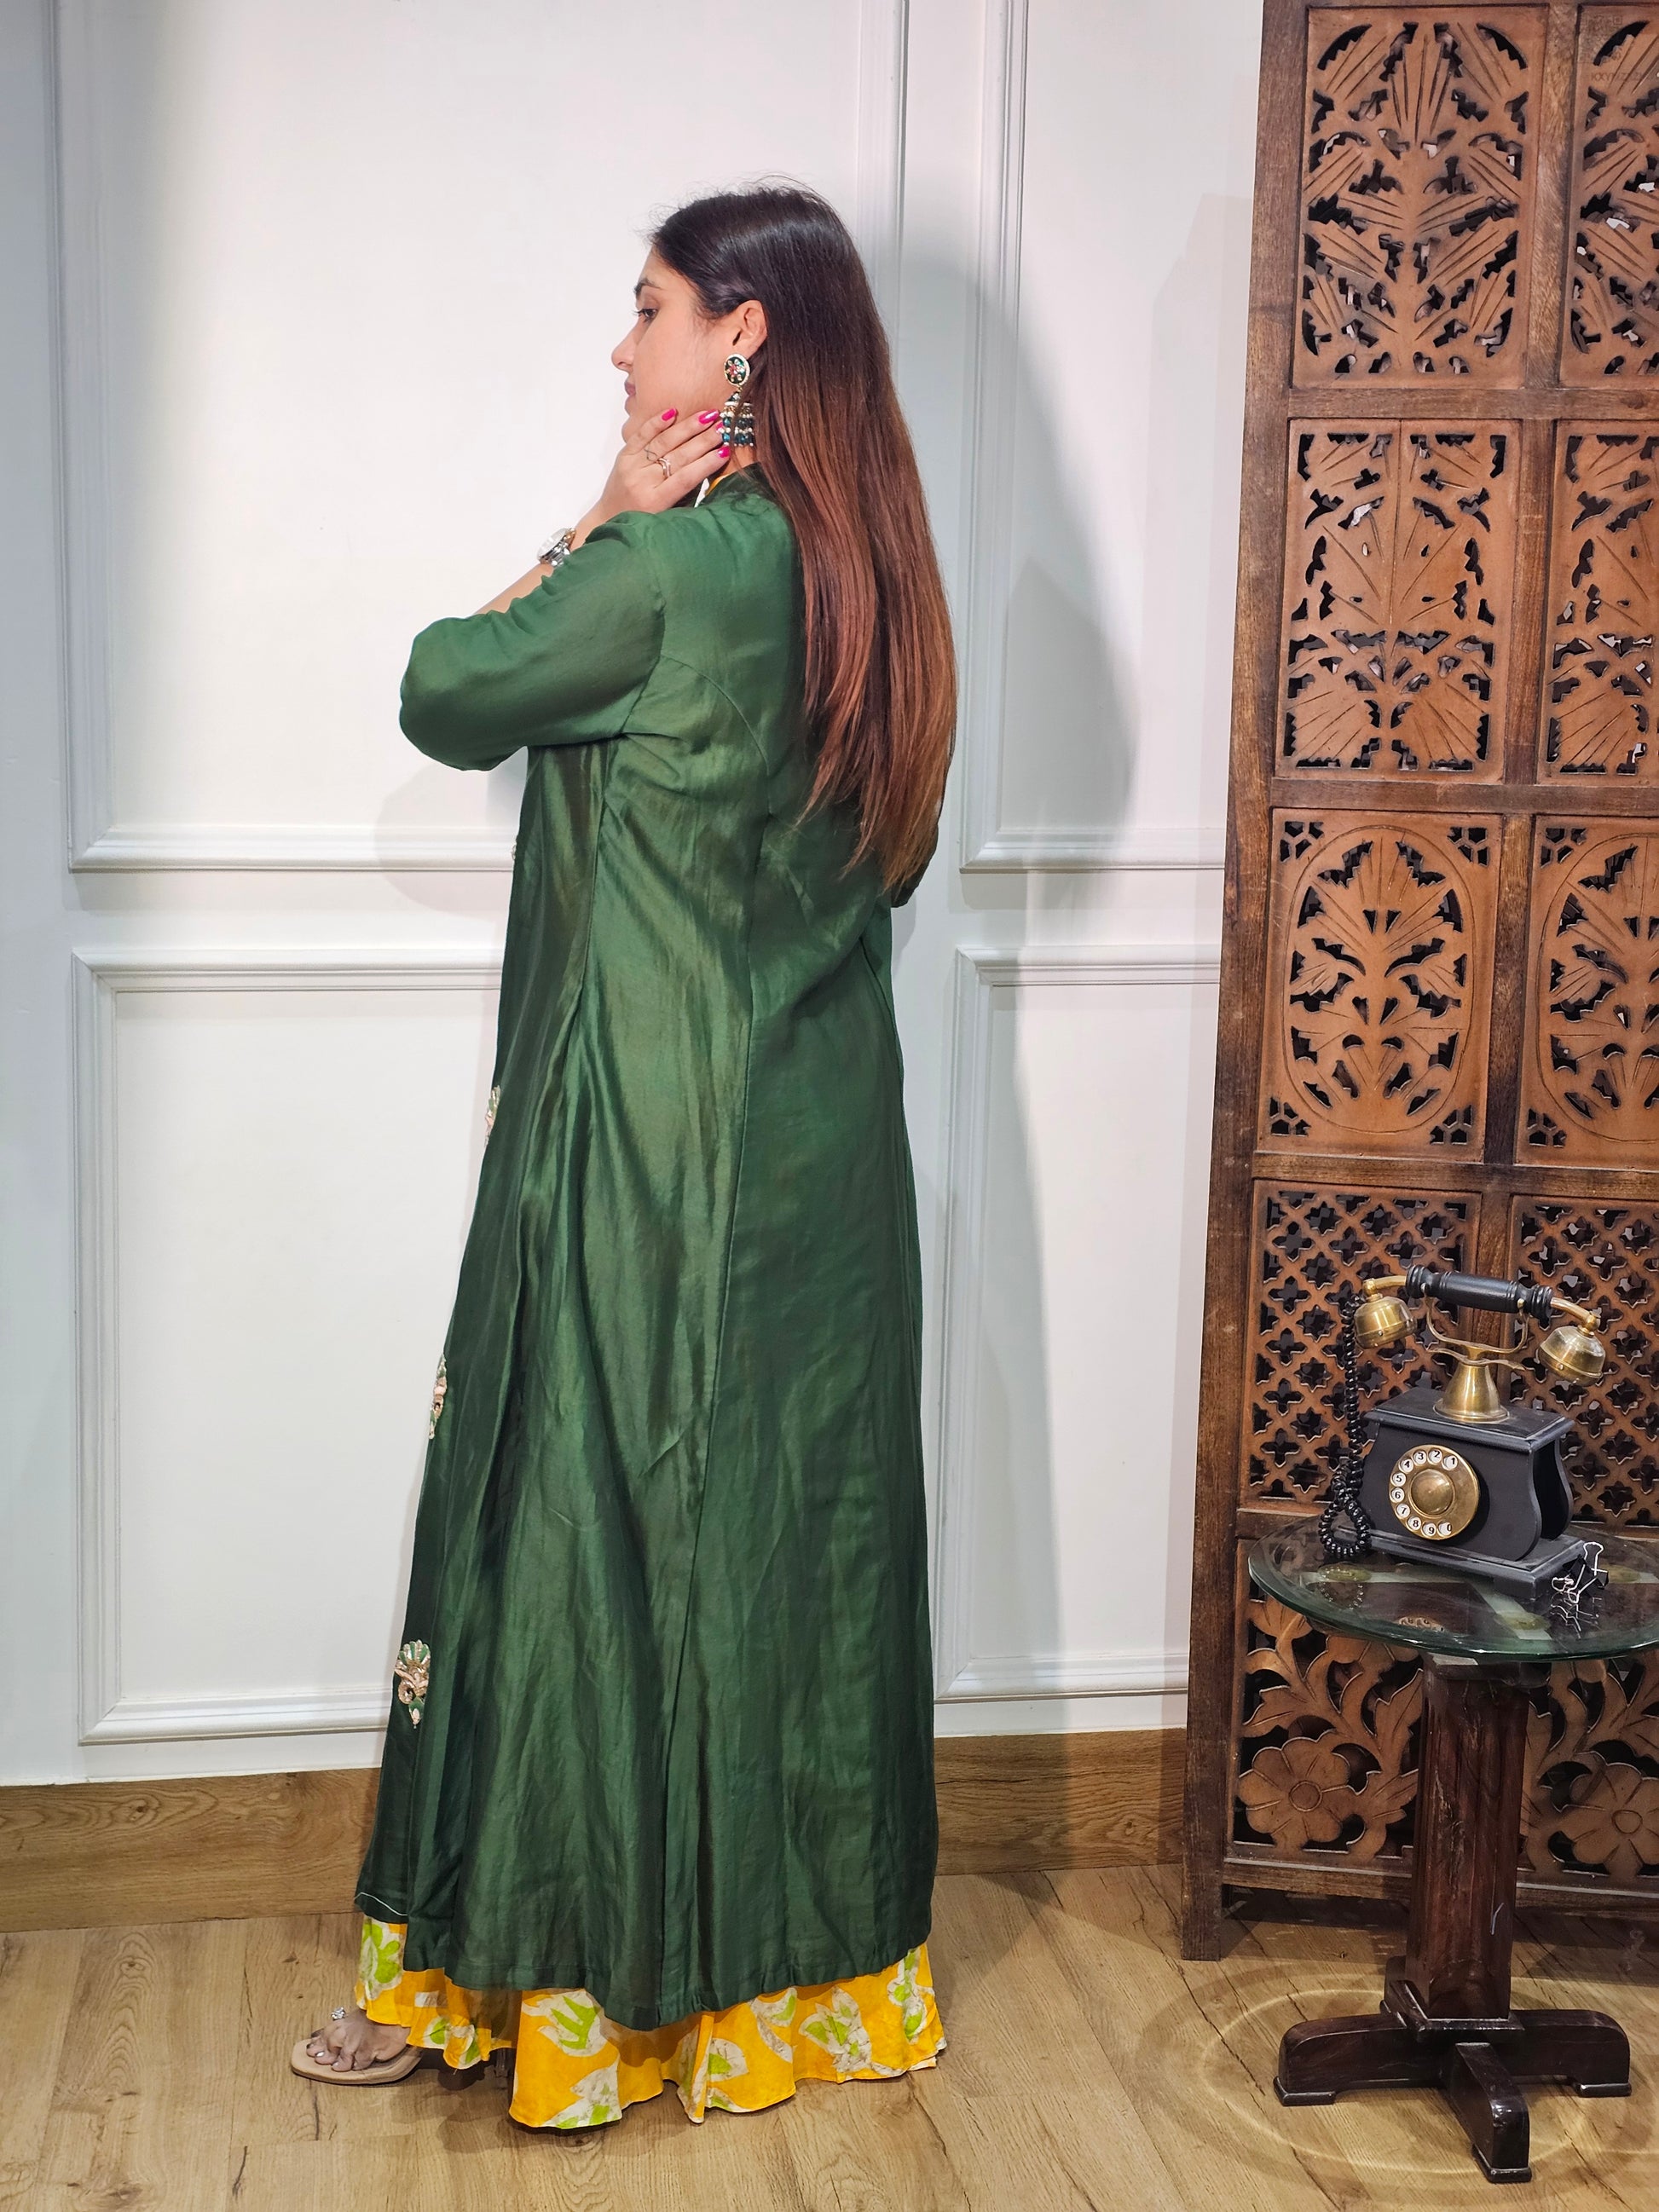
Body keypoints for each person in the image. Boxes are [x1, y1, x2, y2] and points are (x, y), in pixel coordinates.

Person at [290, 180, 957, 2132]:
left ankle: (534, 1980)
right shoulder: (874, 570)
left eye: (648, 306)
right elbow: (895, 859)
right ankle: (788, 1993)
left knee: (574, 1534)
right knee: (786, 1548)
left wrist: (596, 514)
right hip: (821, 1161)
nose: (621, 342)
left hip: (644, 1142)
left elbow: (443, 688)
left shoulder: (663, 567)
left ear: (739, 336)